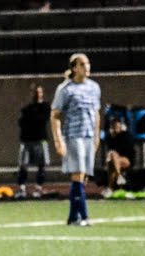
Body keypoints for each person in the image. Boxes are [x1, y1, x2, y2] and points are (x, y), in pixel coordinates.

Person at [51, 53, 101, 226]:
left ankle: (73, 217)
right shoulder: (65, 89)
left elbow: (96, 113)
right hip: (74, 135)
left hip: (88, 135)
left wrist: (96, 136)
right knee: (77, 174)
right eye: (83, 64)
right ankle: (84, 216)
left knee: (83, 176)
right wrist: (59, 140)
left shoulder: (94, 87)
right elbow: (55, 115)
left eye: (88, 63)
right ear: (74, 68)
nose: (87, 67)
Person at [15, 84, 51, 198]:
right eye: (35, 92)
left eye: (39, 92)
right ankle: (22, 188)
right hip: (27, 140)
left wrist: (32, 120)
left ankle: (38, 188)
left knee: (42, 165)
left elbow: (42, 119)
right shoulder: (26, 108)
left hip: (40, 140)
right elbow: (21, 122)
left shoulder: (45, 106)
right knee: (23, 165)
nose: (37, 94)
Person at [103, 116, 135, 197]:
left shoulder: (126, 135)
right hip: (114, 160)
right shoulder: (110, 137)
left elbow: (128, 150)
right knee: (111, 163)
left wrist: (114, 154)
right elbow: (109, 148)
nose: (115, 128)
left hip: (126, 160)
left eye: (117, 126)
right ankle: (117, 180)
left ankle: (112, 185)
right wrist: (112, 136)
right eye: (114, 126)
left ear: (121, 126)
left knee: (113, 156)